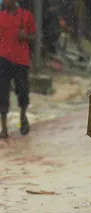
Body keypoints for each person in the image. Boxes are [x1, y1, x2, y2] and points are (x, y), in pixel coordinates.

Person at [0, 0, 36, 139]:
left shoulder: (26, 16)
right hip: (3, 60)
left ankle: (22, 117)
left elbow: (34, 36)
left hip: (21, 61)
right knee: (2, 93)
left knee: (22, 90)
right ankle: (4, 128)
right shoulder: (1, 16)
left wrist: (25, 36)